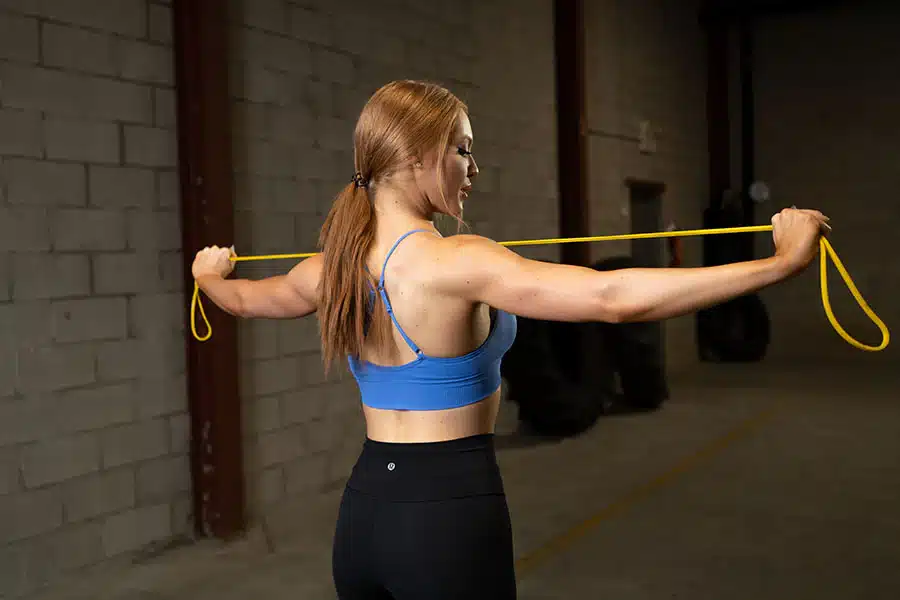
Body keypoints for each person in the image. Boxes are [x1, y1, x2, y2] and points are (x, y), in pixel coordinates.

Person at [191, 80, 829, 599]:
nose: (474, 166)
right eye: (463, 149)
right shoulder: (460, 261)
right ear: (418, 155)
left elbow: (243, 299)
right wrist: (778, 265)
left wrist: (208, 274)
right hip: (447, 514)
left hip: (365, 514)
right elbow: (612, 298)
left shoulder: (326, 269)